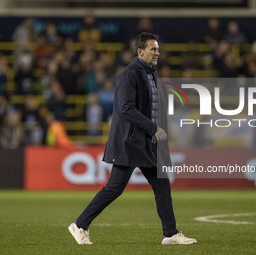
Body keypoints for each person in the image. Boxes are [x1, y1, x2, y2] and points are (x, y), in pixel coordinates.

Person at [68, 32, 197, 245]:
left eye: (158, 48)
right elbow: (126, 108)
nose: (157, 52)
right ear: (140, 51)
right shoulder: (129, 74)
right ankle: (80, 225)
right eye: (153, 49)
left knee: (162, 183)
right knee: (114, 188)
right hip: (129, 142)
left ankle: (170, 234)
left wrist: (160, 131)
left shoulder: (151, 73)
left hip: (146, 142)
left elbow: (155, 107)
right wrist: (153, 127)